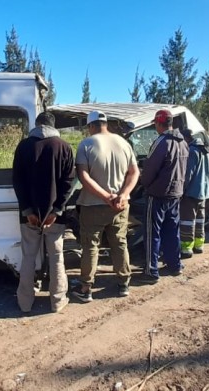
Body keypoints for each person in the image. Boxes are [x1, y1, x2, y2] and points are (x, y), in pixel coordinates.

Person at [71, 110, 140, 303]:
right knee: (119, 243)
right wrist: (123, 195)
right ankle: (123, 284)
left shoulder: (86, 144)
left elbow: (83, 177)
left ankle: (86, 288)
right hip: (120, 205)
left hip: (92, 205)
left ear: (90, 126)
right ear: (106, 123)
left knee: (91, 246)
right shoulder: (123, 143)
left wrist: (105, 196)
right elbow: (134, 173)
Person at [12, 112, 75, 313]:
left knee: (28, 256)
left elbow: (17, 181)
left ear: (37, 125)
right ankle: (57, 301)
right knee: (57, 256)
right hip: (54, 216)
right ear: (53, 126)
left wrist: (28, 210)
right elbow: (68, 183)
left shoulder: (23, 146)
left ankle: (25, 302)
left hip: (28, 214)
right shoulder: (64, 147)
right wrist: (56, 211)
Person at [139, 109, 189, 284]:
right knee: (172, 230)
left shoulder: (162, 142)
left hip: (158, 194)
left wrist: (142, 182)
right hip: (176, 194)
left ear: (158, 123)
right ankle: (174, 265)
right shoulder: (183, 142)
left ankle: (151, 271)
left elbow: (150, 168)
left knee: (153, 233)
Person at [180, 129, 209, 258]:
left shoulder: (192, 151)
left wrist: (181, 190)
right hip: (204, 192)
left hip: (192, 192)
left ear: (187, 138)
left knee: (187, 220)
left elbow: (188, 174)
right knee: (200, 219)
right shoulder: (206, 150)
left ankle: (186, 249)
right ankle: (199, 245)